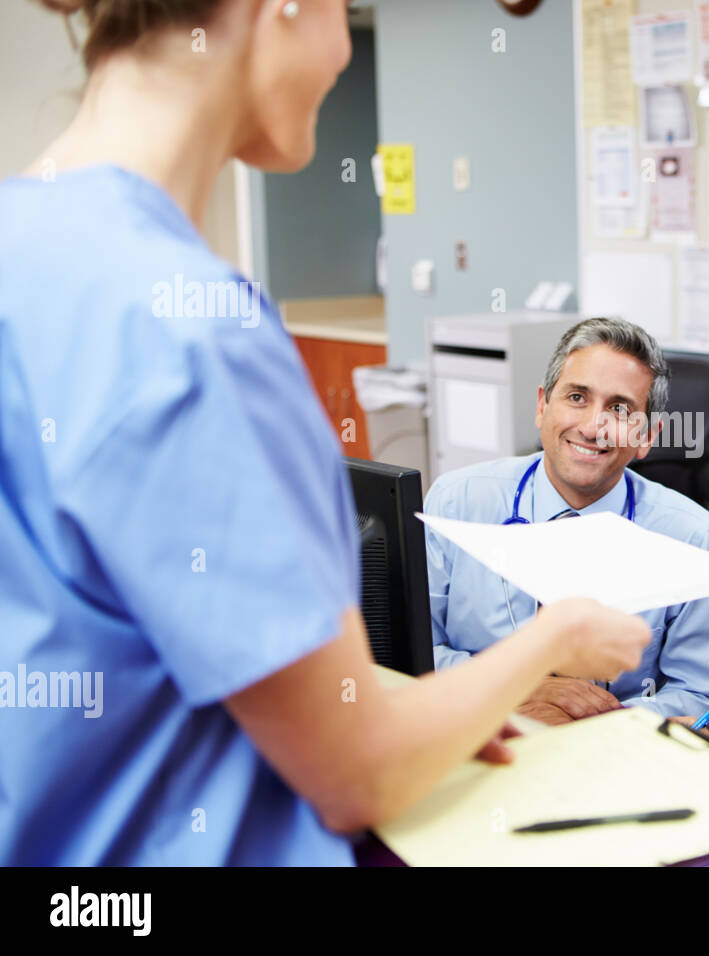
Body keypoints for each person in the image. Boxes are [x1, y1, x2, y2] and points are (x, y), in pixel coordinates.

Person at [0, 0, 649, 865]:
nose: (345, 50)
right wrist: (552, 640)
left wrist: (435, 717)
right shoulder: (194, 332)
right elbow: (358, 773)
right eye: (345, 11)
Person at [424, 317, 709, 732]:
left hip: (613, 755)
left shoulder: (693, 537)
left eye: (620, 408)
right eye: (577, 397)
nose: (593, 427)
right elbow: (415, 649)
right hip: (472, 736)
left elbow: (708, 699)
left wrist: (591, 725)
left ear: (647, 436)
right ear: (542, 406)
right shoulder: (456, 501)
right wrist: (517, 687)